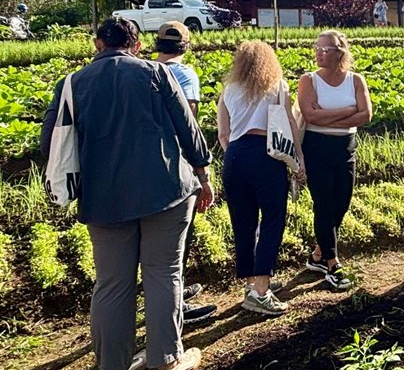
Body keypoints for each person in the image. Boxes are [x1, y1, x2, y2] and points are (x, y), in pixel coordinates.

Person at [41, 17, 212, 370]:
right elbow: (187, 128)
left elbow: (48, 143)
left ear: (97, 44)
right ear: (136, 45)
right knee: (163, 272)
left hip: (104, 199)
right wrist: (203, 173)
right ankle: (165, 362)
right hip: (165, 189)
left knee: (112, 283)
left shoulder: (72, 83)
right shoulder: (156, 73)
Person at [218, 40, 303, 315]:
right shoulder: (277, 86)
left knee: (243, 222)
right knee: (272, 220)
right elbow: (289, 123)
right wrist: (298, 160)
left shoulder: (229, 89)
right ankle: (261, 289)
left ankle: (251, 283)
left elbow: (223, 134)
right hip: (266, 155)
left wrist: (235, 155)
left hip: (234, 156)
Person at [153, 22, 217, 327]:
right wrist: (202, 174)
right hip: (177, 164)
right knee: (178, 237)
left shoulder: (145, 71)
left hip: (147, 162)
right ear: (186, 46)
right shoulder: (185, 75)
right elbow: (188, 122)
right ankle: (176, 306)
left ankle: (170, 293)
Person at [297, 31, 372, 291]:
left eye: (325, 49)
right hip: (316, 147)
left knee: (342, 202)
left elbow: (366, 115)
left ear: (339, 52)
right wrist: (348, 111)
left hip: (345, 147)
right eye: (316, 48)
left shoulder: (355, 80)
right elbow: (310, 116)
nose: (318, 53)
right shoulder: (309, 80)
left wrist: (328, 116)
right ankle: (332, 263)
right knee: (323, 203)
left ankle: (318, 254)